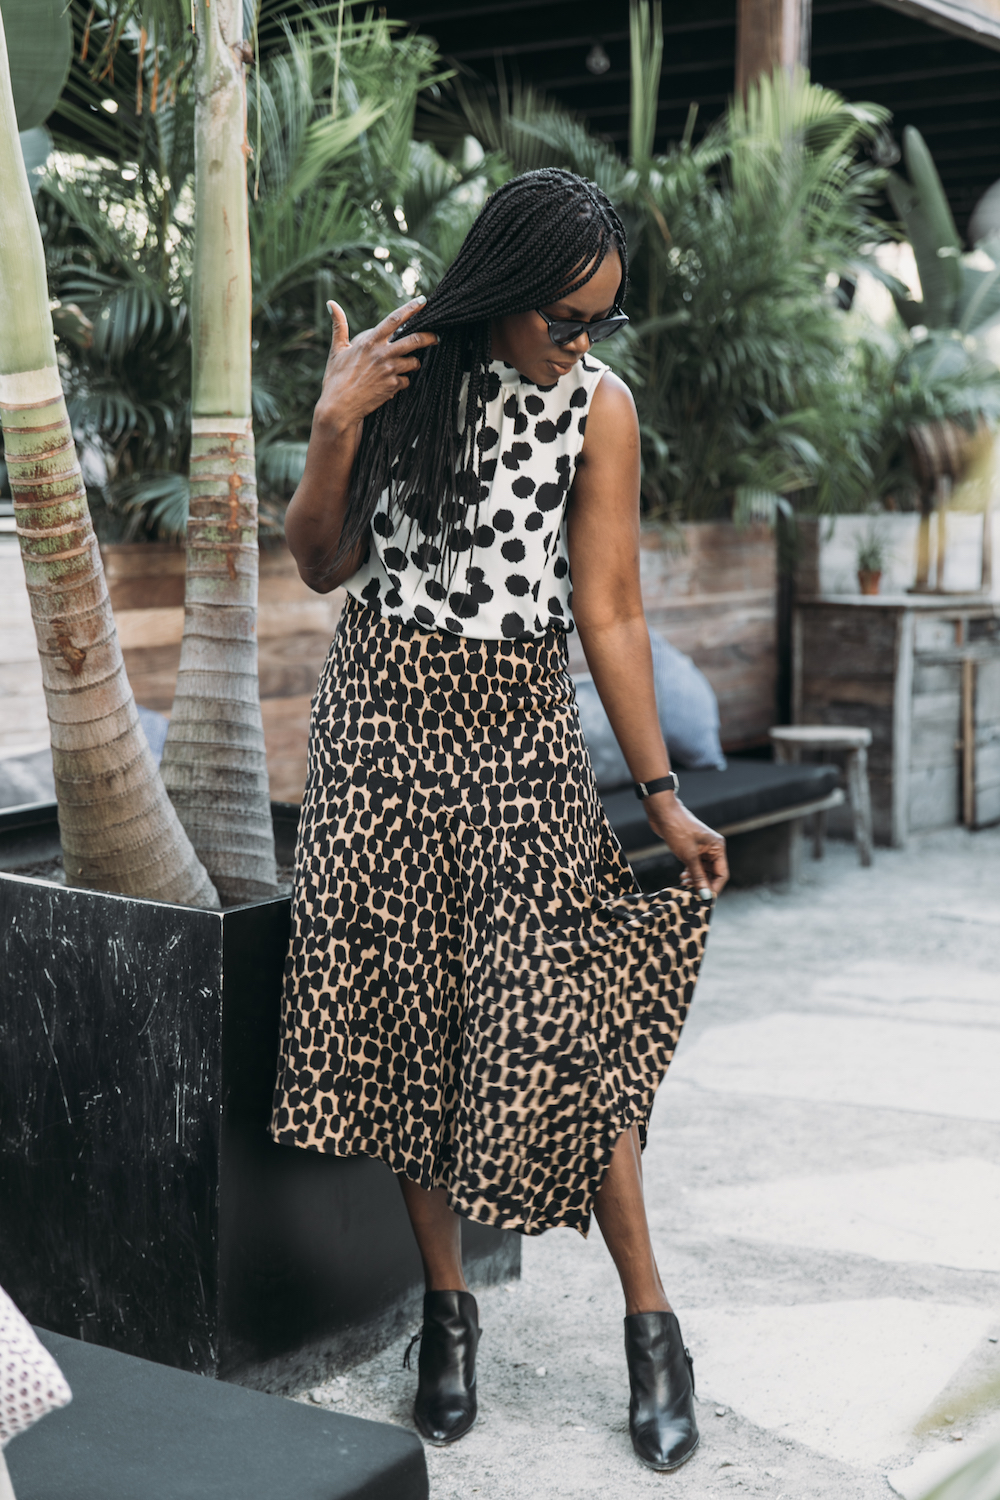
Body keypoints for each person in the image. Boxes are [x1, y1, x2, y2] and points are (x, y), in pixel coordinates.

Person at [271, 168, 728, 1473]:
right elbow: (317, 561)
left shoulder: (599, 407)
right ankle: (447, 1316)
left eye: (600, 320)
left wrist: (661, 795)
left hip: (518, 732)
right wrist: (332, 423)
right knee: (418, 1029)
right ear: (505, 294)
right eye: (564, 318)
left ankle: (653, 1326)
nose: (581, 340)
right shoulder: (404, 367)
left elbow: (613, 612)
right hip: (382, 728)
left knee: (562, 1028)